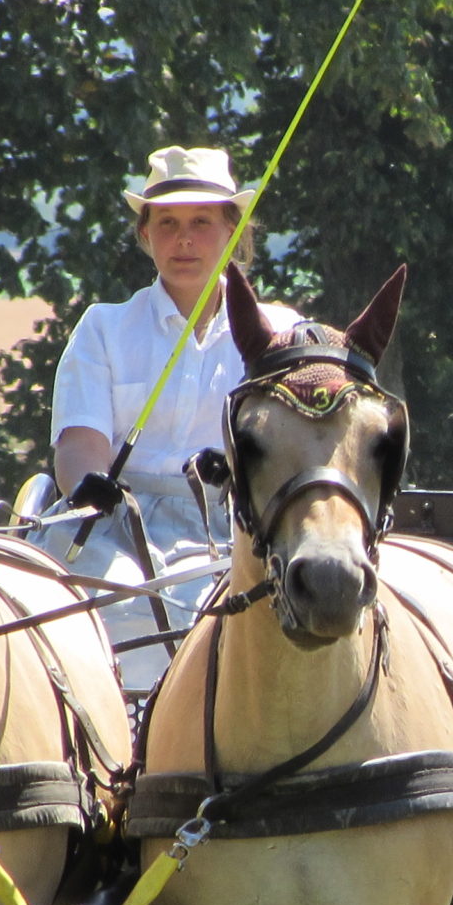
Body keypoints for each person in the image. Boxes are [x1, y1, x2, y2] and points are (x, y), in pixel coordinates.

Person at [43, 145, 295, 685]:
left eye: (202, 222)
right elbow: (79, 441)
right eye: (168, 223)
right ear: (145, 235)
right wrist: (90, 486)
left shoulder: (281, 333)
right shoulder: (104, 329)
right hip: (114, 523)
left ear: (234, 229)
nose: (184, 239)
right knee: (112, 602)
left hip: (237, 527)